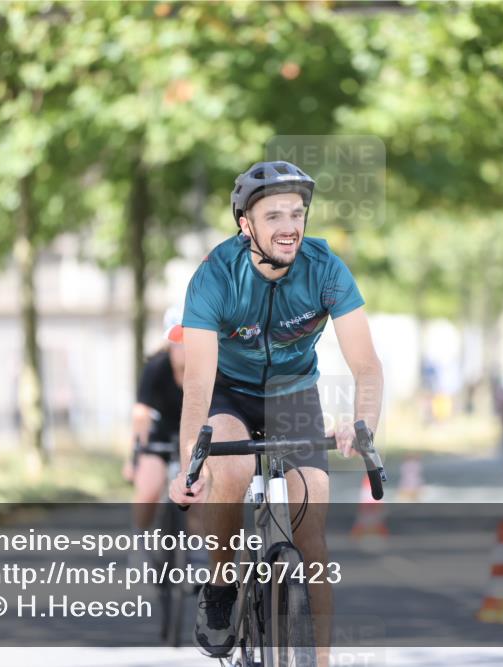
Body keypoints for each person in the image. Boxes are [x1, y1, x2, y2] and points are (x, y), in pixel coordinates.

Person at [167, 160, 383, 664]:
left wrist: (363, 424)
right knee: (233, 466)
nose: (289, 227)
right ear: (247, 225)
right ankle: (221, 582)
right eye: (273, 216)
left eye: (297, 213)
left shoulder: (326, 269)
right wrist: (188, 466)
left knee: (313, 528)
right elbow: (197, 383)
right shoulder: (215, 276)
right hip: (230, 394)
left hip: (293, 393)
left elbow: (367, 366)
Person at [126, 307, 185, 531]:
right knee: (149, 490)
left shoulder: (209, 367)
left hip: (195, 437)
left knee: (201, 494)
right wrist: (134, 457)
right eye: (178, 339)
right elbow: (141, 414)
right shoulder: (156, 367)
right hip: (159, 434)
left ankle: (199, 548)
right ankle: (140, 541)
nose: (184, 346)